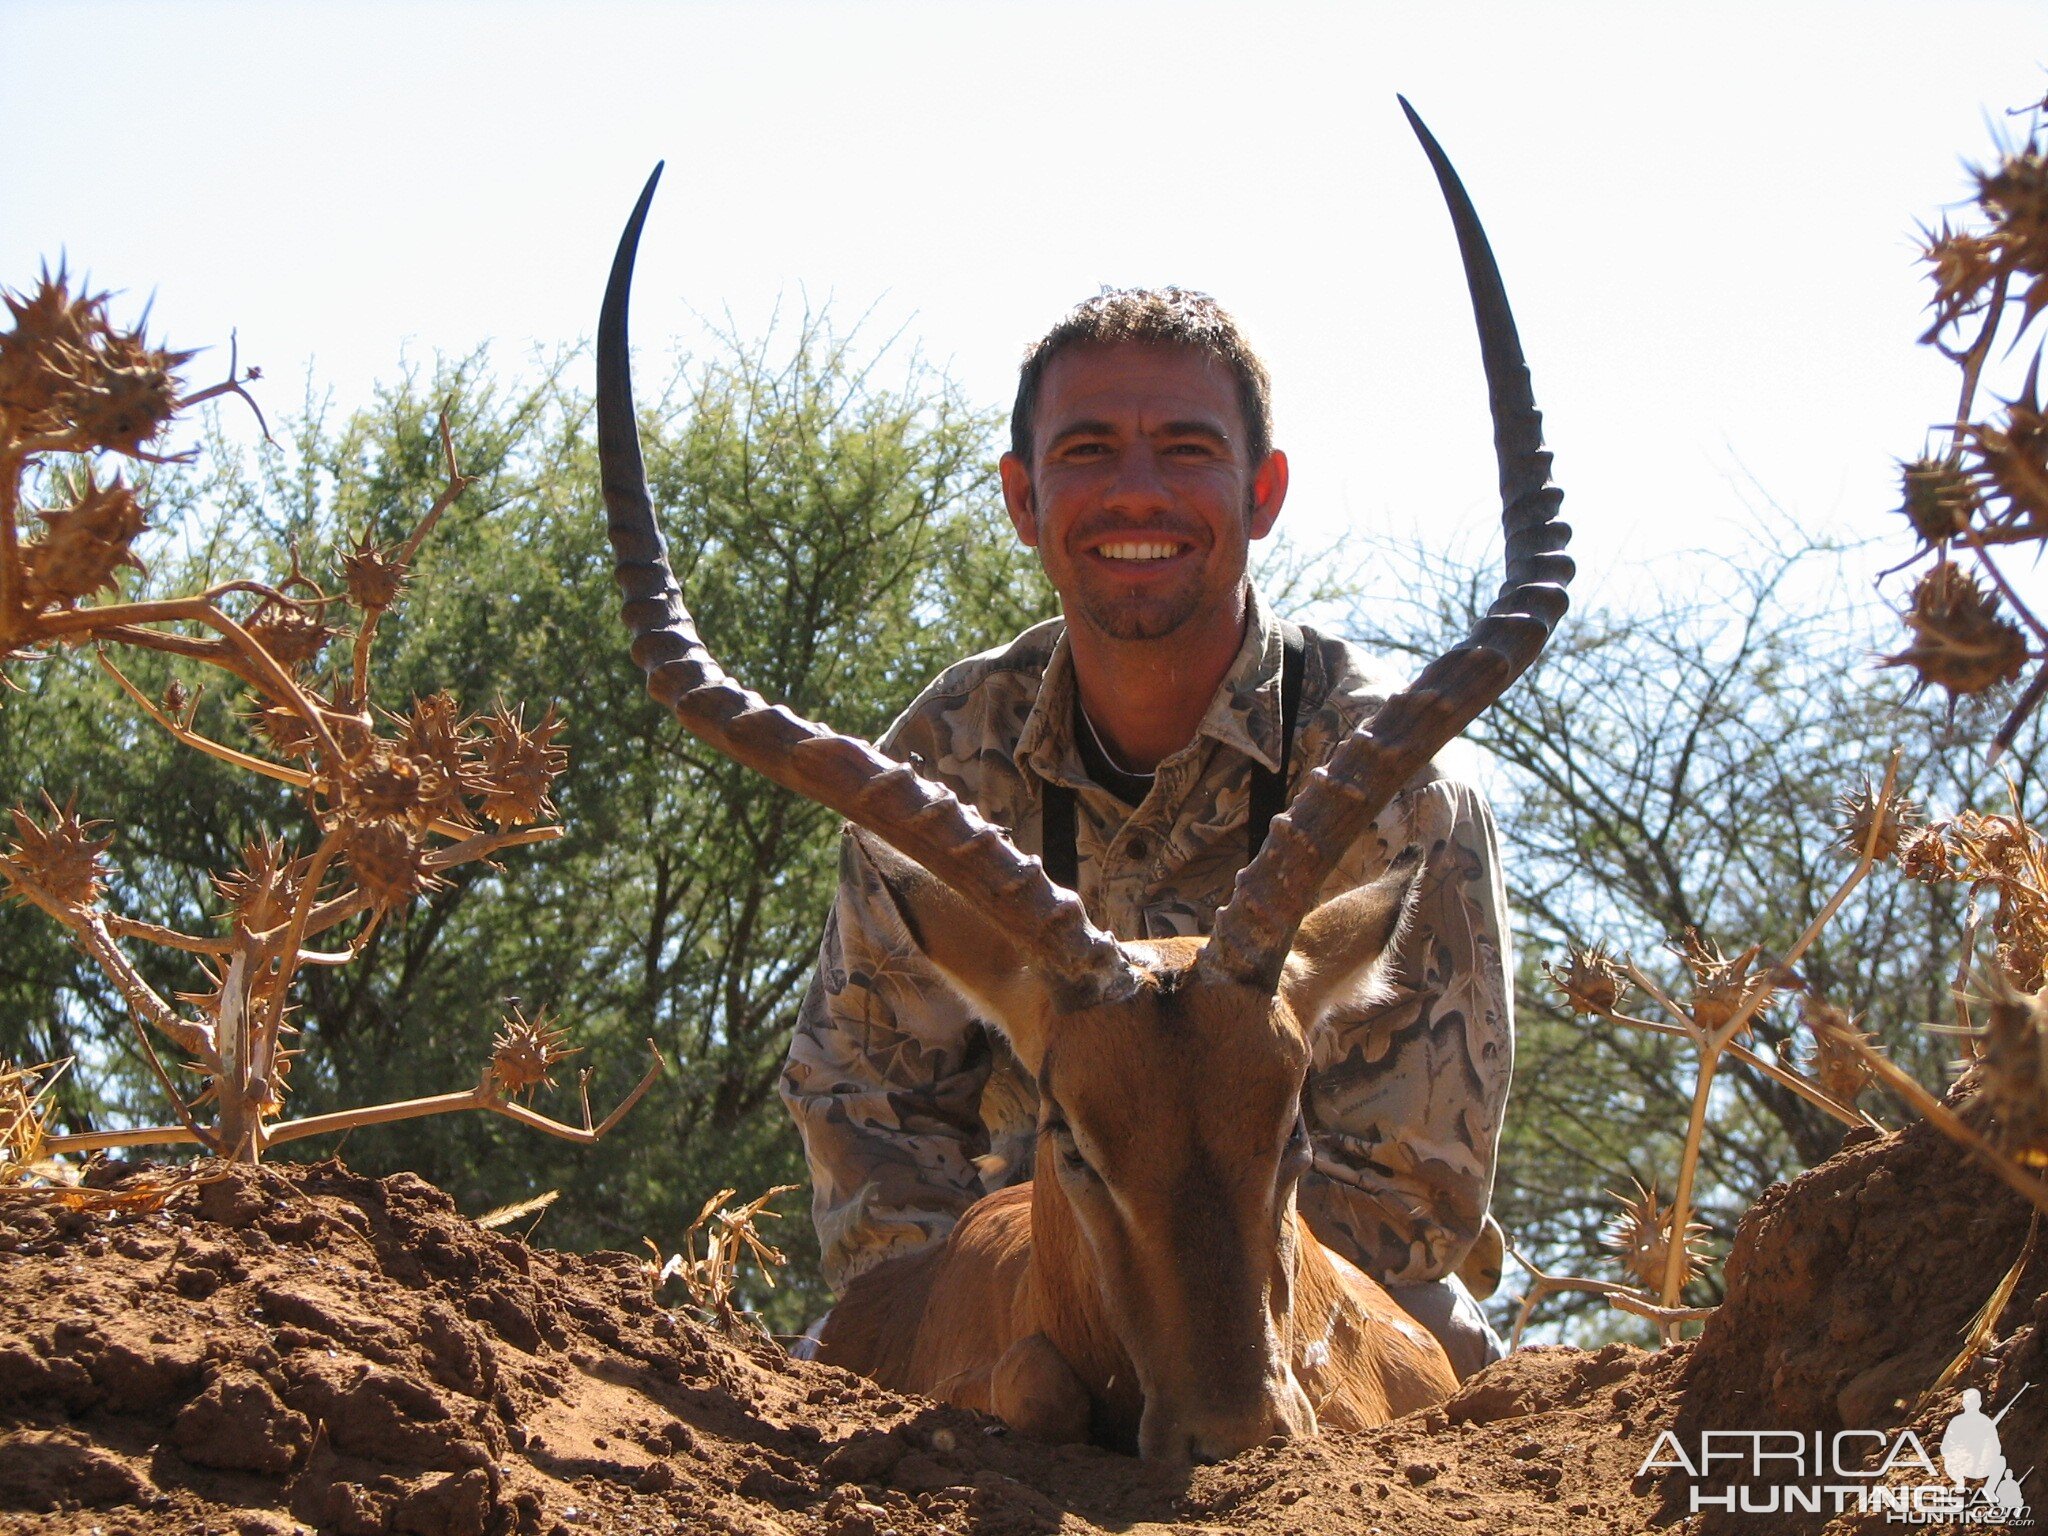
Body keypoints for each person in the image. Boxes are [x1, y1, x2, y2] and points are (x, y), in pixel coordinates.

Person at [780, 287, 1512, 1378]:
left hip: (1309, 1295)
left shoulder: (1396, 782)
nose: (1135, 492)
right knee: (816, 1392)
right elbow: (870, 1123)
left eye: (1183, 448)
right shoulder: (941, 761)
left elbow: (1405, 1198)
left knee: (1450, 1374)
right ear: (1023, 500)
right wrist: (1042, 1313)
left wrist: (1182, 1332)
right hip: (1011, 1301)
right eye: (1085, 451)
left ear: (1259, 492)